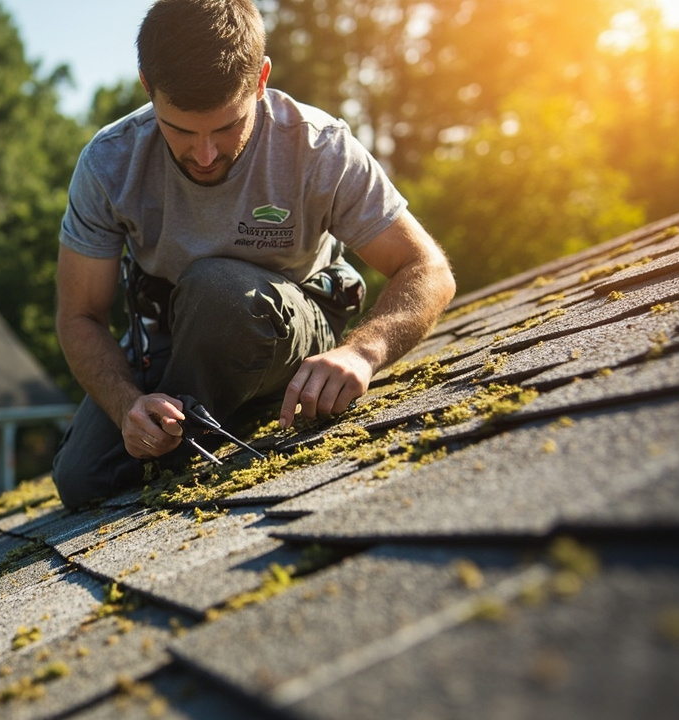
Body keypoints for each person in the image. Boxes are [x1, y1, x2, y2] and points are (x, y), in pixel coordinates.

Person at [51, 0, 456, 509]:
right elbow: (79, 315)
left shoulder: (319, 149)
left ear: (261, 79)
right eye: (180, 129)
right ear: (146, 87)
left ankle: (196, 429)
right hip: (171, 341)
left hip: (290, 329)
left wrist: (361, 353)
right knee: (82, 480)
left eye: (226, 128)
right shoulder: (108, 164)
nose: (204, 155)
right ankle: (204, 416)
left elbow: (428, 269)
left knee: (220, 292)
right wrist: (128, 405)